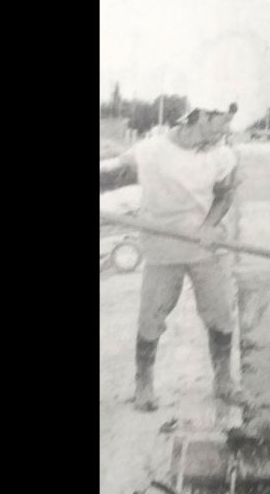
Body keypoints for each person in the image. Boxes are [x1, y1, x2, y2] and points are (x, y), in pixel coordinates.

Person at [100, 103, 245, 412]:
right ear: (202, 116)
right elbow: (111, 174)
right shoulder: (152, 151)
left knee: (220, 313)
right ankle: (144, 385)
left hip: (202, 246)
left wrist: (210, 225)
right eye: (222, 121)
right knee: (151, 315)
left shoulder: (221, 155)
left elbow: (225, 194)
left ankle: (223, 380)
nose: (227, 129)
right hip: (161, 247)